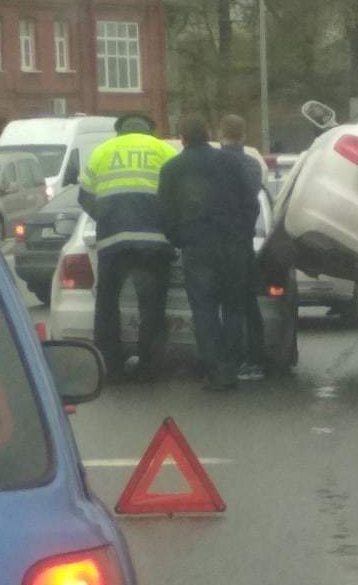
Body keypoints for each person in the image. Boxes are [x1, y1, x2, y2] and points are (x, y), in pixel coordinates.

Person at [158, 114, 260, 391]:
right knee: (234, 308)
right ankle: (231, 368)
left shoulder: (172, 169)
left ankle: (213, 370)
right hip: (233, 246)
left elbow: (165, 214)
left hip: (197, 247)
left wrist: (181, 239)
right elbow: (251, 203)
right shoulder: (231, 163)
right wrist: (243, 235)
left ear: (182, 138)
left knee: (204, 310)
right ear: (208, 134)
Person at [78, 113, 178, 382]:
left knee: (108, 304)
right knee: (153, 306)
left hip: (114, 241)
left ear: (119, 131)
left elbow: (84, 196)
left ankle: (110, 366)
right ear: (150, 130)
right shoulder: (164, 150)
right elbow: (179, 195)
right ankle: (150, 365)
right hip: (154, 242)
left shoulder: (102, 151)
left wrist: (107, 218)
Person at [219, 113, 265, 381]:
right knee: (247, 304)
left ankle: (228, 360)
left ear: (221, 133)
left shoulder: (214, 164)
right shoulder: (252, 164)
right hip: (243, 242)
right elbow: (252, 199)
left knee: (227, 305)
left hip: (217, 241)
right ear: (244, 135)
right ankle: (254, 360)